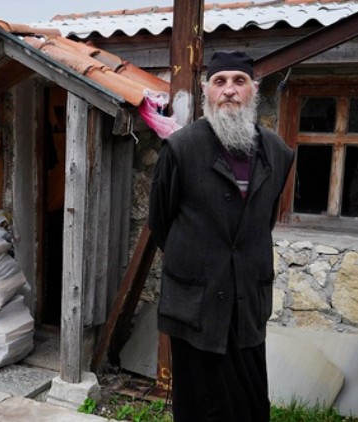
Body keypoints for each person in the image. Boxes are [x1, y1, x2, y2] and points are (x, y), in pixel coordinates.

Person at [148, 51, 294, 422]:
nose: (229, 89)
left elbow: (264, 220)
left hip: (247, 300)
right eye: (220, 81)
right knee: (198, 404)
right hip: (196, 302)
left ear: (253, 90)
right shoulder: (181, 148)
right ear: (206, 91)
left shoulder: (278, 153)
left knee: (249, 402)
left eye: (239, 81)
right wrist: (202, 258)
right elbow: (160, 220)